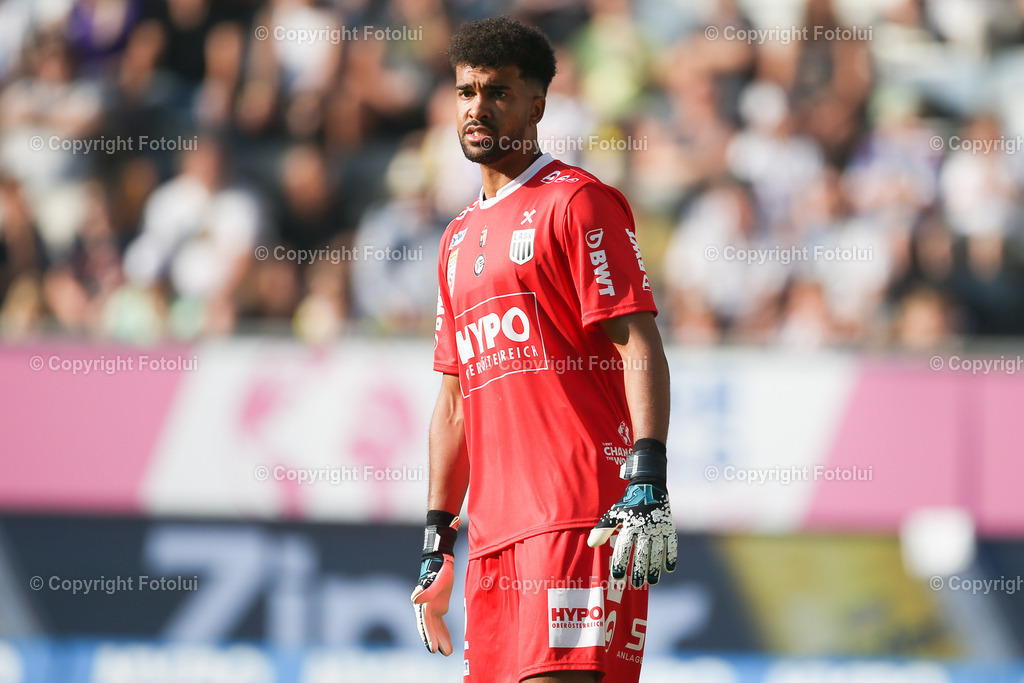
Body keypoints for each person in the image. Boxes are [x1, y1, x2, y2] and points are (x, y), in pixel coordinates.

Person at [411, 17, 676, 683]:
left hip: (576, 514)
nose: (477, 108)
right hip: (492, 537)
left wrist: (648, 472)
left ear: (537, 105)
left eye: (497, 93)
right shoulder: (455, 239)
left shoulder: (578, 203)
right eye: (466, 92)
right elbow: (454, 401)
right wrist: (438, 538)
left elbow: (638, 340)